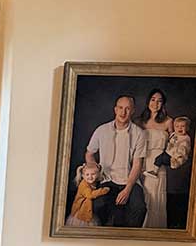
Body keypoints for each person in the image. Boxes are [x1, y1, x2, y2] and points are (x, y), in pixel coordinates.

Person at [84, 94, 147, 227]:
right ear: (115, 109)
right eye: (120, 108)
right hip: (106, 179)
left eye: (128, 109)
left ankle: (129, 241)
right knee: (98, 205)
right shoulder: (102, 130)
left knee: (139, 208)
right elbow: (89, 153)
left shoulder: (139, 133)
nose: (123, 112)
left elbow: (137, 165)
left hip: (129, 180)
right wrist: (92, 165)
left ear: (133, 111)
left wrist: (127, 189)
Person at [138, 88, 174, 228]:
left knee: (156, 196)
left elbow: (174, 143)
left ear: (163, 104)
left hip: (159, 164)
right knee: (143, 195)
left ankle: (155, 229)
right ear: (148, 102)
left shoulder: (168, 121)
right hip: (142, 162)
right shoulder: (139, 121)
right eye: (153, 99)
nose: (156, 103)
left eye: (159, 101)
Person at [165, 116, 192, 230]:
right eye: (177, 126)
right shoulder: (174, 136)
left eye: (183, 126)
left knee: (178, 198)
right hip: (169, 168)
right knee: (170, 197)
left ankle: (178, 223)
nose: (180, 128)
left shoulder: (185, 139)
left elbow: (182, 154)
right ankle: (171, 221)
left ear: (187, 128)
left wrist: (173, 160)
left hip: (176, 165)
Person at [65, 162, 110, 227]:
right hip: (81, 212)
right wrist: (103, 190)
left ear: (97, 174)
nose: (90, 177)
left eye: (93, 174)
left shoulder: (93, 182)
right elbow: (90, 195)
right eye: (87, 174)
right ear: (83, 176)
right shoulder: (83, 185)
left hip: (87, 208)